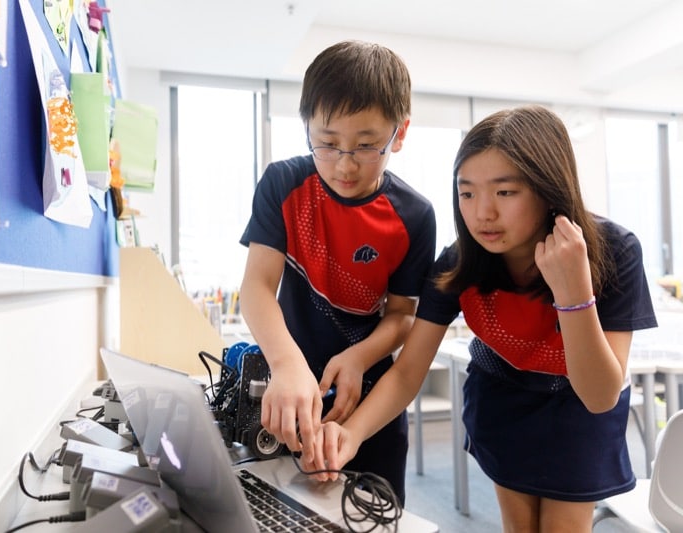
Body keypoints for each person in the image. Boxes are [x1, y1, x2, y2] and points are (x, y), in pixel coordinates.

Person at [316, 104, 658, 529]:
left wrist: (573, 292)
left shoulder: (613, 251)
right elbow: (407, 374)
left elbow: (600, 395)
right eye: (467, 192)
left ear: (549, 189)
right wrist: (351, 434)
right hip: (503, 398)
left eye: (505, 192)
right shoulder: (460, 264)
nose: (482, 213)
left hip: (577, 411)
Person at [238, 40, 437, 504]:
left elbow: (403, 315)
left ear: (399, 133)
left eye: (367, 146)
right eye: (326, 143)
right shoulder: (284, 184)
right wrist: (287, 365)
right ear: (306, 126)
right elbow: (256, 287)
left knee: (368, 512)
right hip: (286, 387)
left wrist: (360, 357)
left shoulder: (414, 216)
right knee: (281, 508)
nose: (344, 164)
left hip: (369, 397)